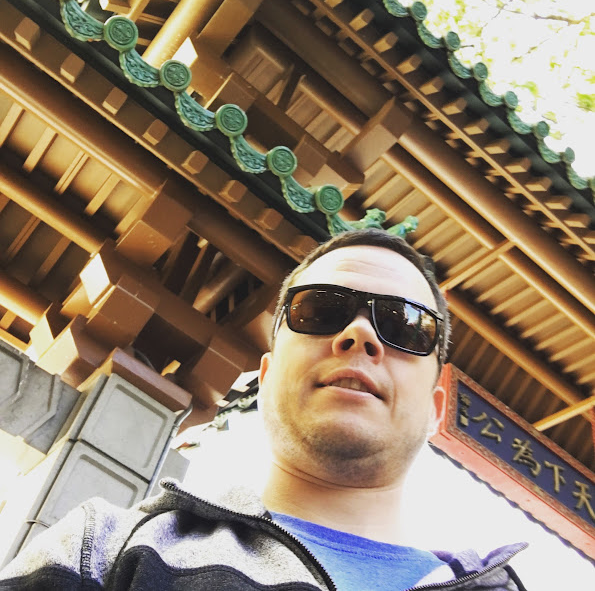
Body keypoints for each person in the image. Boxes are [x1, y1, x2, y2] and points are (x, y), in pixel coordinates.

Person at [0, 229, 527, 590]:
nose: (360, 333)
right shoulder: (104, 548)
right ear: (267, 377)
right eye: (320, 309)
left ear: (436, 409)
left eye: (405, 325)